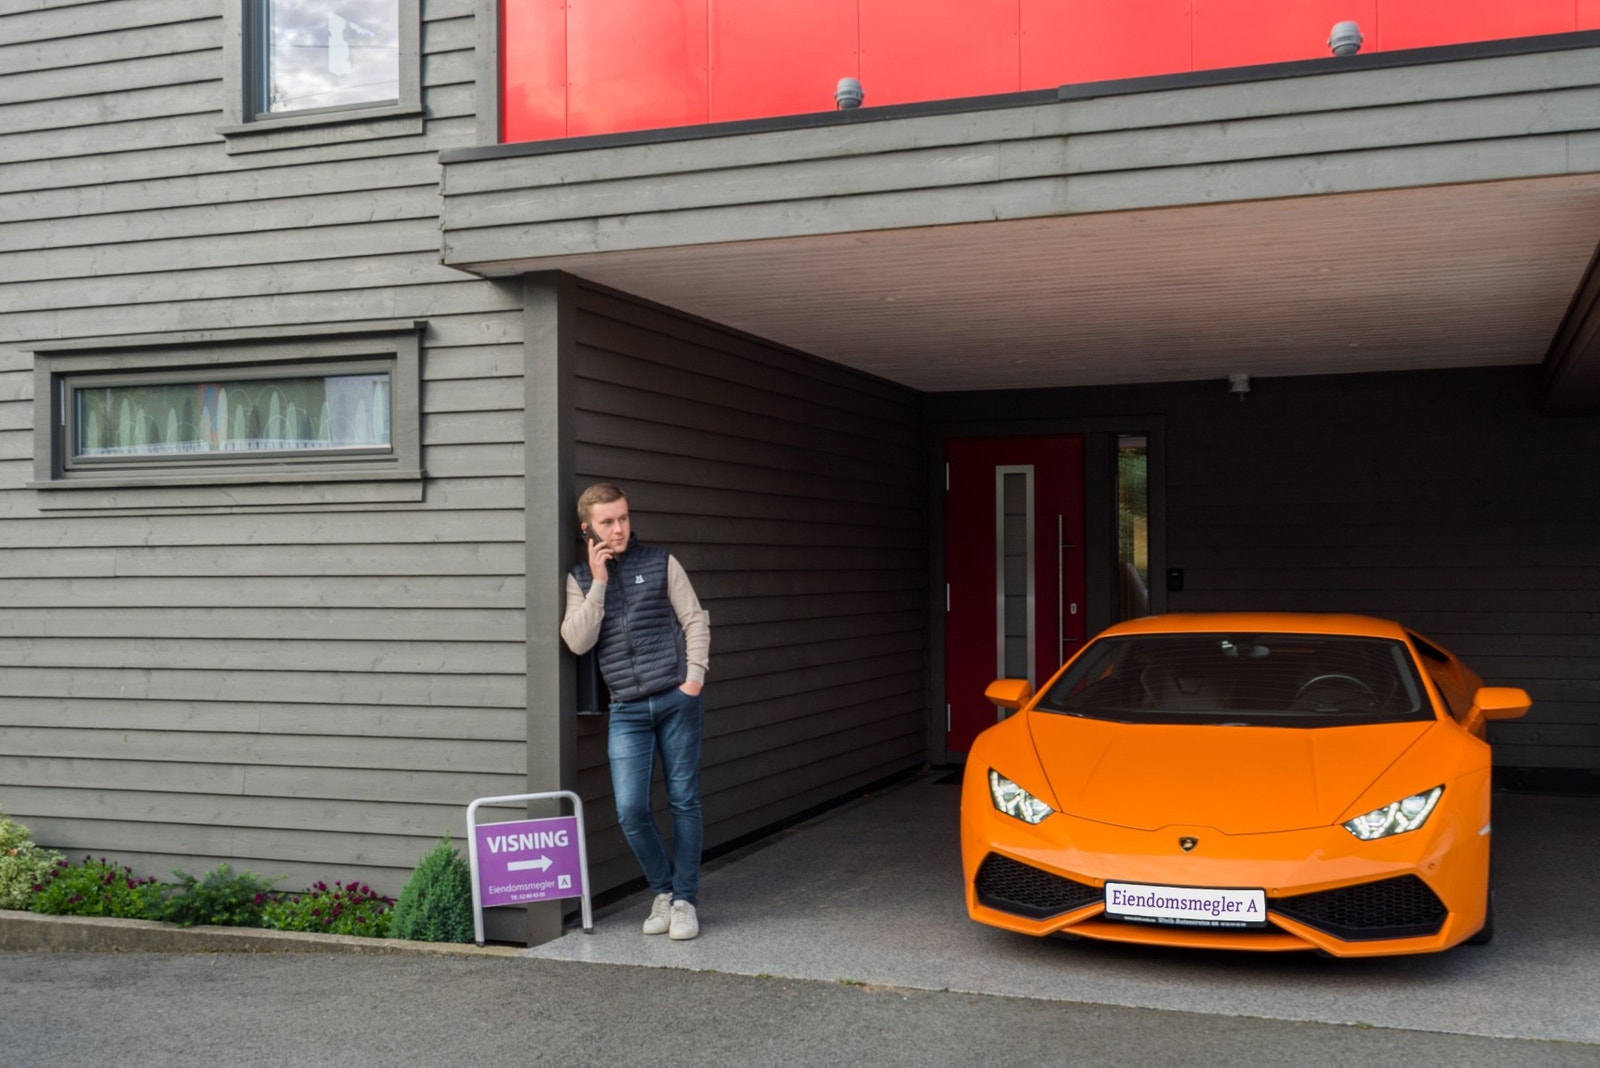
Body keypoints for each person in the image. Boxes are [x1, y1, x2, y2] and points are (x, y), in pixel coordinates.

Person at [560, 482, 710, 940]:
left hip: (675, 698)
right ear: (587, 528)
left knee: (683, 800)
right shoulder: (579, 579)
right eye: (607, 522)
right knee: (629, 810)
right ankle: (662, 890)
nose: (619, 528)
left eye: (623, 518)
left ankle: (685, 900)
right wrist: (599, 583)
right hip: (626, 709)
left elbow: (694, 618)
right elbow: (576, 640)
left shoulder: (661, 562)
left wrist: (694, 680)